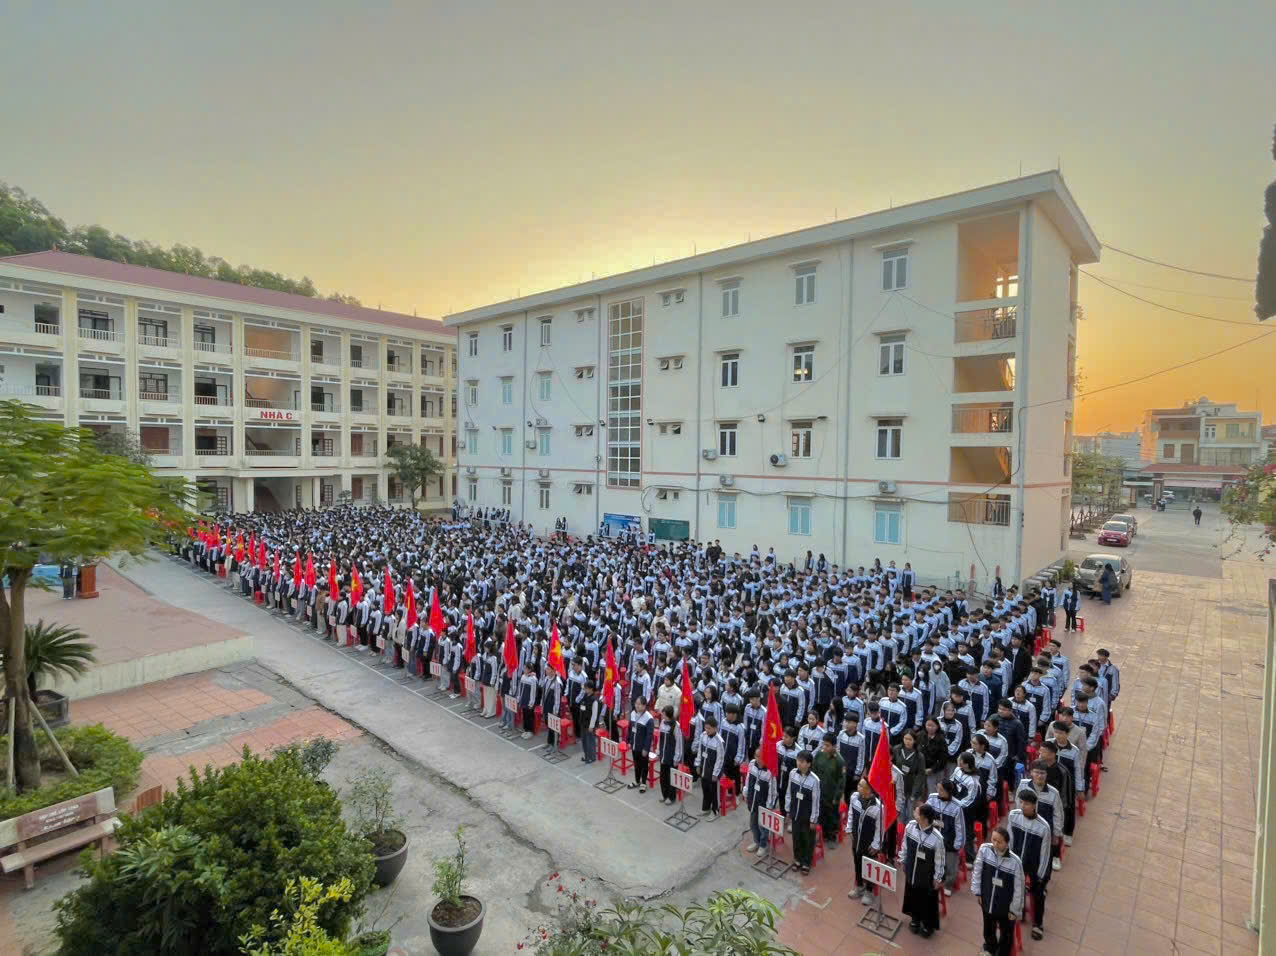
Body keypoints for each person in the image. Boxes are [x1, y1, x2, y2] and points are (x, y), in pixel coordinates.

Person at [971, 824, 1025, 956]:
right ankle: (990, 948)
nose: (995, 844)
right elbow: (977, 871)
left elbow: (1019, 888)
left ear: (1006, 843)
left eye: (999, 842)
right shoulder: (984, 850)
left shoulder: (1015, 862)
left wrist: (1014, 910)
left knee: (1006, 934)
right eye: (993, 839)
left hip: (1005, 907)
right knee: (988, 928)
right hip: (987, 900)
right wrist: (977, 892)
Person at [1007, 789, 1052, 941]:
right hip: (1017, 862)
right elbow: (1010, 840)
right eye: (1021, 802)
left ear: (1034, 805)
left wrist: (1040, 876)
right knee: (1011, 888)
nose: (1022, 806)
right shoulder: (1013, 816)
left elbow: (1045, 854)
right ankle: (1017, 912)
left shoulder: (1043, 827)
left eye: (1026, 803)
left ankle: (1038, 924)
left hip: (1035, 866)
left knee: (1038, 893)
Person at [898, 803, 945, 937]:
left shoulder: (937, 838)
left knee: (926, 900)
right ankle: (915, 919)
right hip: (911, 871)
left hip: (926, 877)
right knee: (912, 895)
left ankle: (928, 925)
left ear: (924, 817)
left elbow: (940, 860)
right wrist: (902, 859)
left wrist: (937, 878)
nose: (914, 813)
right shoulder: (910, 826)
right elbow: (905, 845)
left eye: (917, 812)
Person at [846, 777, 883, 903]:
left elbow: (880, 828)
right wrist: (849, 829)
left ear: (869, 790)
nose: (858, 787)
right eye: (859, 785)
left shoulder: (878, 807)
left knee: (869, 866)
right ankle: (859, 886)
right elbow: (851, 814)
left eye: (861, 786)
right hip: (856, 840)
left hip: (869, 844)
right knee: (857, 863)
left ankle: (869, 891)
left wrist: (876, 845)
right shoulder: (854, 797)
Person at [787, 750, 821, 874]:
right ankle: (797, 859)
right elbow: (788, 792)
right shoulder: (792, 773)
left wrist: (813, 819)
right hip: (795, 813)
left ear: (809, 764)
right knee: (796, 837)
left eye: (802, 762)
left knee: (807, 840)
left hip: (807, 816)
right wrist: (788, 809)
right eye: (798, 760)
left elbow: (816, 801)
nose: (799, 763)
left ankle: (806, 863)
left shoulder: (815, 780)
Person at [812, 733, 846, 848]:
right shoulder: (819, 755)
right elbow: (814, 770)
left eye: (827, 745)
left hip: (832, 795)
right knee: (820, 814)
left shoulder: (839, 761)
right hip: (819, 792)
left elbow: (841, 782)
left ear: (834, 746)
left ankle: (831, 836)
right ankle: (821, 835)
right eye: (824, 744)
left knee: (831, 816)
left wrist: (837, 798)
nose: (825, 747)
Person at [744, 746, 777, 855]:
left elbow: (772, 791)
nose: (758, 759)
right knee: (753, 824)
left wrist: (769, 806)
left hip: (763, 804)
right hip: (753, 801)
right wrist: (746, 793)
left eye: (761, 757)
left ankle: (763, 845)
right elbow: (748, 779)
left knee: (763, 826)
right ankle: (756, 841)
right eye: (757, 756)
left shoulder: (770, 771)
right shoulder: (752, 764)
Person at [696, 717, 725, 817]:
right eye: (706, 727)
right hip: (704, 768)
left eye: (709, 728)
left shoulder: (719, 741)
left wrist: (715, 774)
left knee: (714, 792)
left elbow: (720, 759)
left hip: (713, 772)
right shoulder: (703, 735)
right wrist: (698, 764)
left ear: (715, 728)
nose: (707, 730)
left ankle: (715, 811)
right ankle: (705, 808)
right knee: (705, 789)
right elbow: (700, 751)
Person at [627, 696, 654, 793]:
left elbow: (649, 736)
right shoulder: (633, 713)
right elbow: (630, 728)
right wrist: (629, 741)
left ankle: (643, 783)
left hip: (642, 747)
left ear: (644, 705)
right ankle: (637, 780)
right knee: (636, 763)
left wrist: (646, 749)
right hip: (634, 745)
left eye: (639, 704)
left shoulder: (649, 718)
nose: (637, 706)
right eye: (636, 704)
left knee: (644, 765)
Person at [657, 705, 683, 805]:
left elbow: (679, 743)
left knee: (671, 777)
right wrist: (658, 751)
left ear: (668, 715)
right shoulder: (662, 723)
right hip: (663, 755)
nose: (662, 716)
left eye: (663, 714)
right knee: (663, 776)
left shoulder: (676, 726)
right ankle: (664, 794)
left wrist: (677, 758)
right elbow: (660, 738)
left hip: (671, 757)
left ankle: (671, 797)